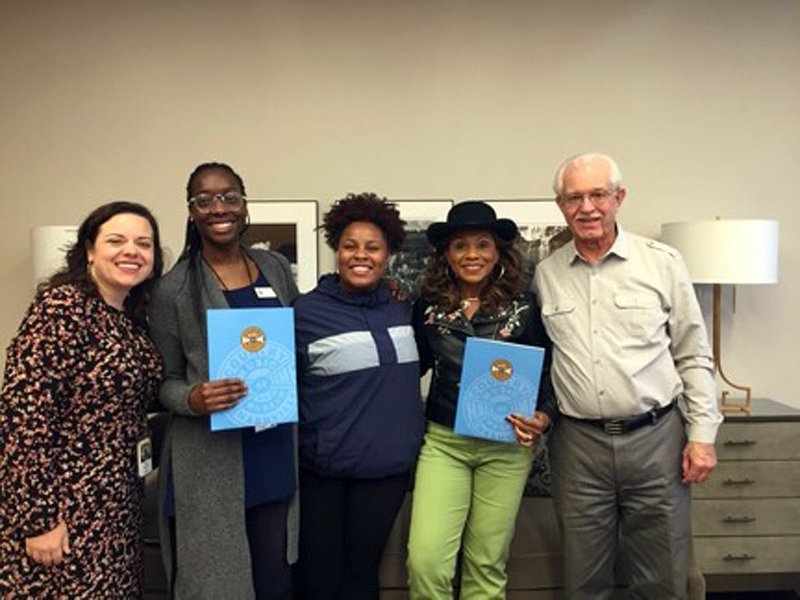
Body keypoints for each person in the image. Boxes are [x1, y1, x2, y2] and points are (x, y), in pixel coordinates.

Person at [532, 153, 722, 598]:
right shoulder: (547, 274)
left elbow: (693, 354)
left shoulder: (663, 263)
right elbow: (540, 360)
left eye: (598, 195)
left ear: (619, 197)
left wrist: (702, 435)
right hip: (578, 446)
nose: (587, 207)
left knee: (663, 576)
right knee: (584, 580)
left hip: (655, 439)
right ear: (560, 204)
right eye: (574, 197)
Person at [148, 162, 299, 599]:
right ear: (191, 210)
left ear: (244, 203)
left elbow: (296, 335)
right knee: (215, 580)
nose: (220, 208)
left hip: (271, 446)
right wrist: (193, 398)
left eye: (229, 196)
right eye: (206, 199)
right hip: (210, 459)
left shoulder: (274, 267)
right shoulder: (172, 290)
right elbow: (162, 382)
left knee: (274, 577)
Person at [0, 201, 164, 597]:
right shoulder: (62, 309)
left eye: (144, 243)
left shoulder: (131, 321)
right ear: (89, 249)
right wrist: (38, 521)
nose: (132, 251)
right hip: (63, 510)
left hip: (117, 506)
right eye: (116, 240)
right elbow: (23, 418)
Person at [406, 201, 557, 599]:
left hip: (506, 447)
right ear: (446, 255)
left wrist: (542, 417)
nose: (471, 254)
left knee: (486, 565)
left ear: (497, 252)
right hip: (445, 444)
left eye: (482, 244)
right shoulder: (426, 307)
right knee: (426, 562)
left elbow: (548, 373)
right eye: (460, 246)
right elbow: (409, 366)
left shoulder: (525, 307)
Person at [292, 193, 425, 600]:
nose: (360, 255)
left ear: (387, 255)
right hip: (324, 472)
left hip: (387, 472)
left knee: (363, 575)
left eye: (372, 247)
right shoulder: (304, 313)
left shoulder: (403, 308)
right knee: (319, 579)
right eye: (350, 246)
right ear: (337, 250)